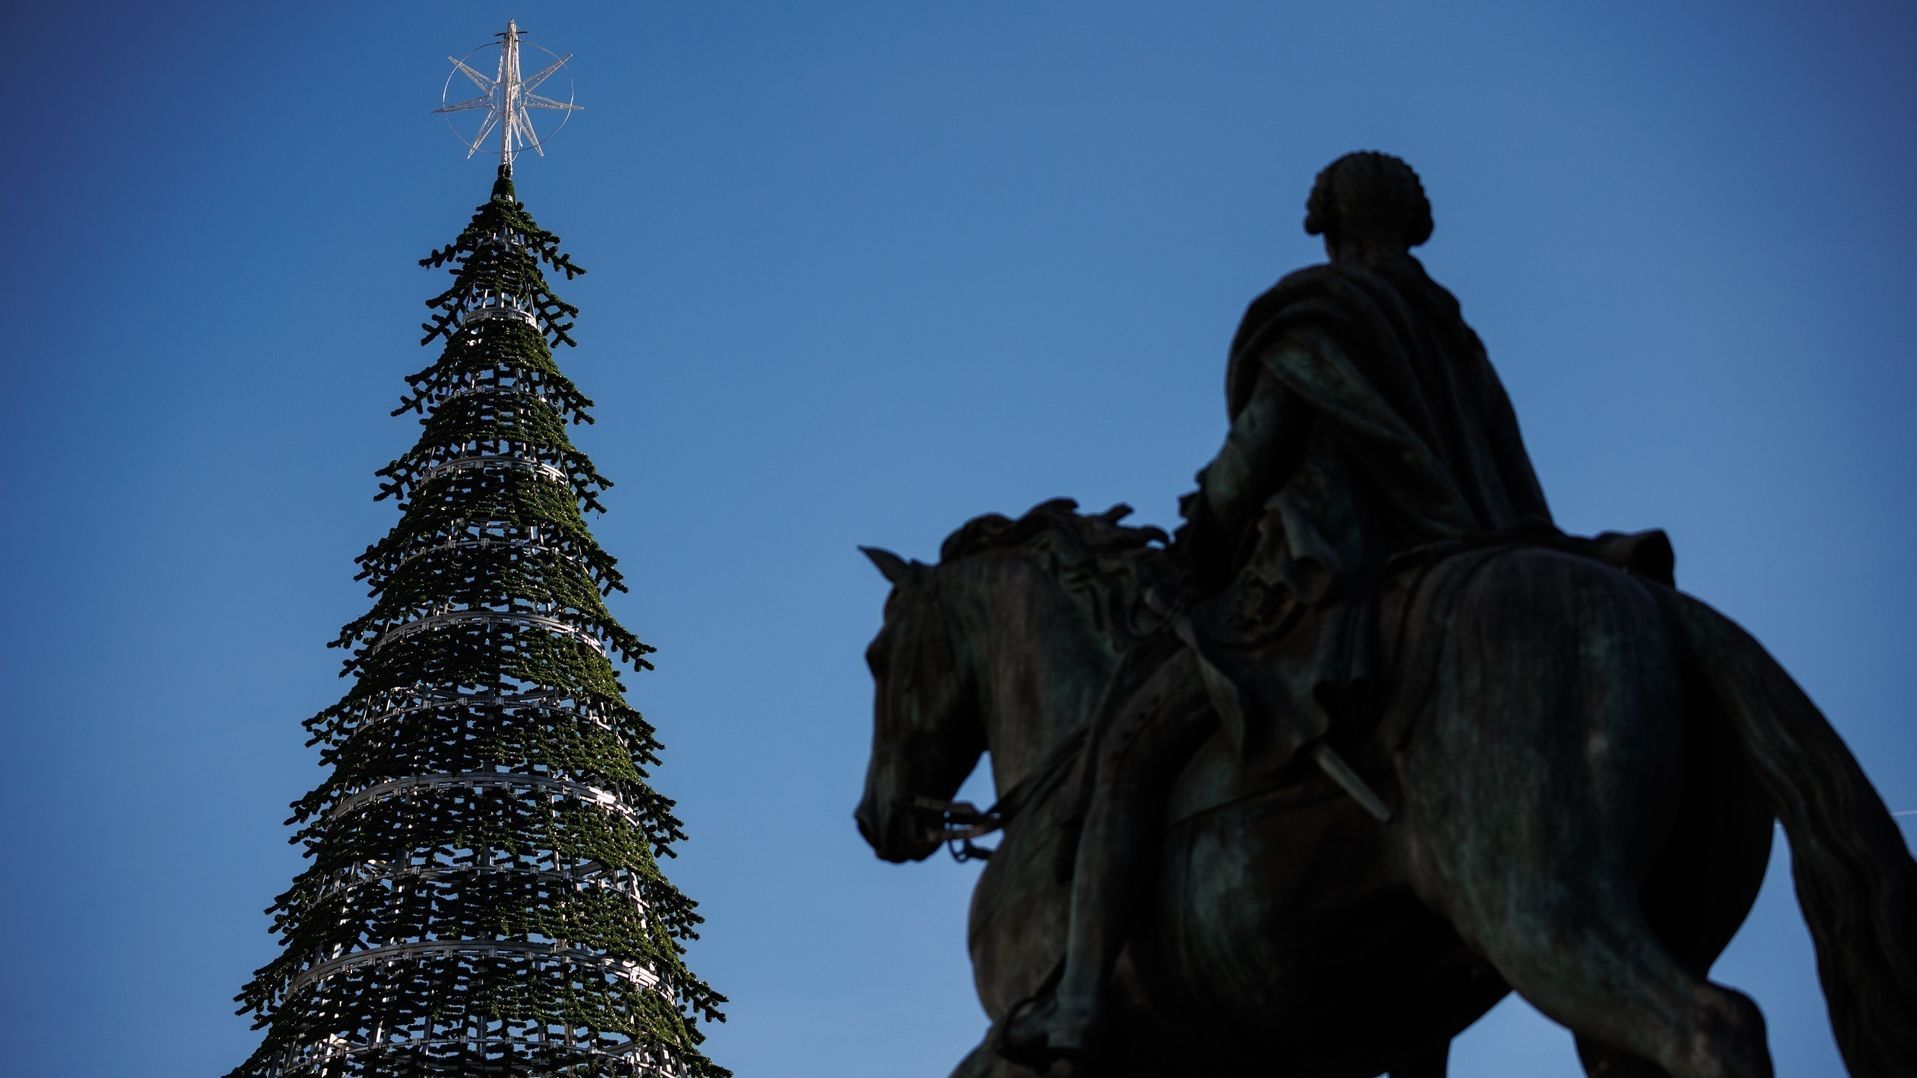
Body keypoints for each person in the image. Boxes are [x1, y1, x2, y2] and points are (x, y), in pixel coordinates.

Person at [999, 151, 1559, 1068]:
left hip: (1325, 581)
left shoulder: (1318, 315)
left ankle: (1077, 1002)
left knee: (1127, 757)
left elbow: (1255, 456)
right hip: (1460, 556)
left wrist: (1198, 539)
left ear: (1327, 221)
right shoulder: (1448, 329)